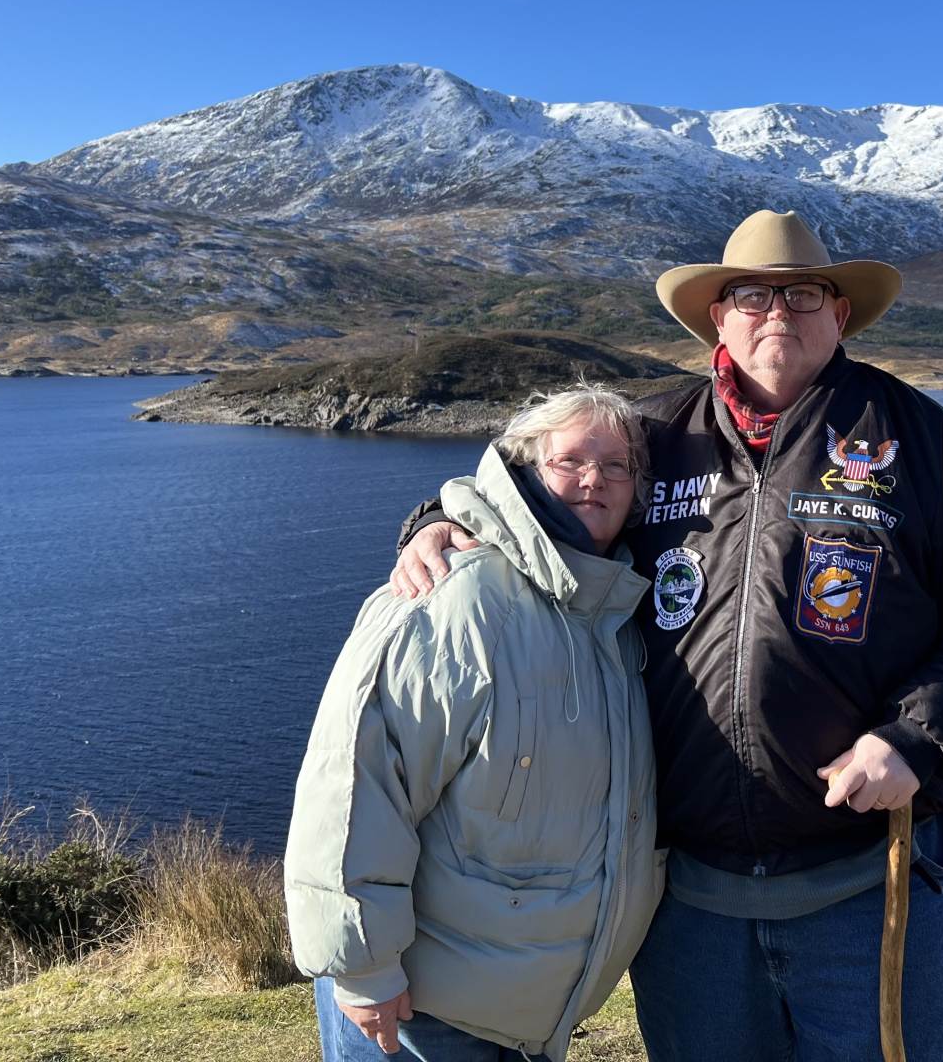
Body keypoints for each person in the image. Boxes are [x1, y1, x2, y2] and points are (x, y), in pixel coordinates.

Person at [391, 210, 943, 1061]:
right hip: (690, 903)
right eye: (752, 296)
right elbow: (531, 499)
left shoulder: (922, 442)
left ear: (840, 313)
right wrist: (438, 521)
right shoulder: (653, 437)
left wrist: (914, 739)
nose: (778, 313)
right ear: (718, 318)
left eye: (803, 294)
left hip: (870, 880)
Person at [284, 385, 664, 1062]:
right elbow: (356, 782)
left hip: (524, 1018)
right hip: (420, 1015)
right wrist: (363, 968)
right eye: (570, 461)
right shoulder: (458, 598)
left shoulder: (613, 615)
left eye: (617, 466)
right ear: (525, 470)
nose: (593, 480)